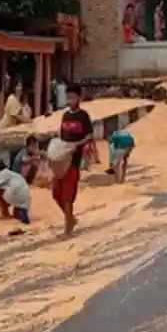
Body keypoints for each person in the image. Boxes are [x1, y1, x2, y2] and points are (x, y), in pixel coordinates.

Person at [53, 82, 92, 236]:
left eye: (73, 97)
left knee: (67, 196)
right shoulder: (65, 115)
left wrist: (77, 145)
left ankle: (67, 229)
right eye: (68, 97)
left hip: (73, 161)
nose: (70, 100)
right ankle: (71, 218)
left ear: (79, 98)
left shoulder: (83, 116)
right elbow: (61, 135)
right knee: (56, 194)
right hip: (62, 159)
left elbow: (89, 136)